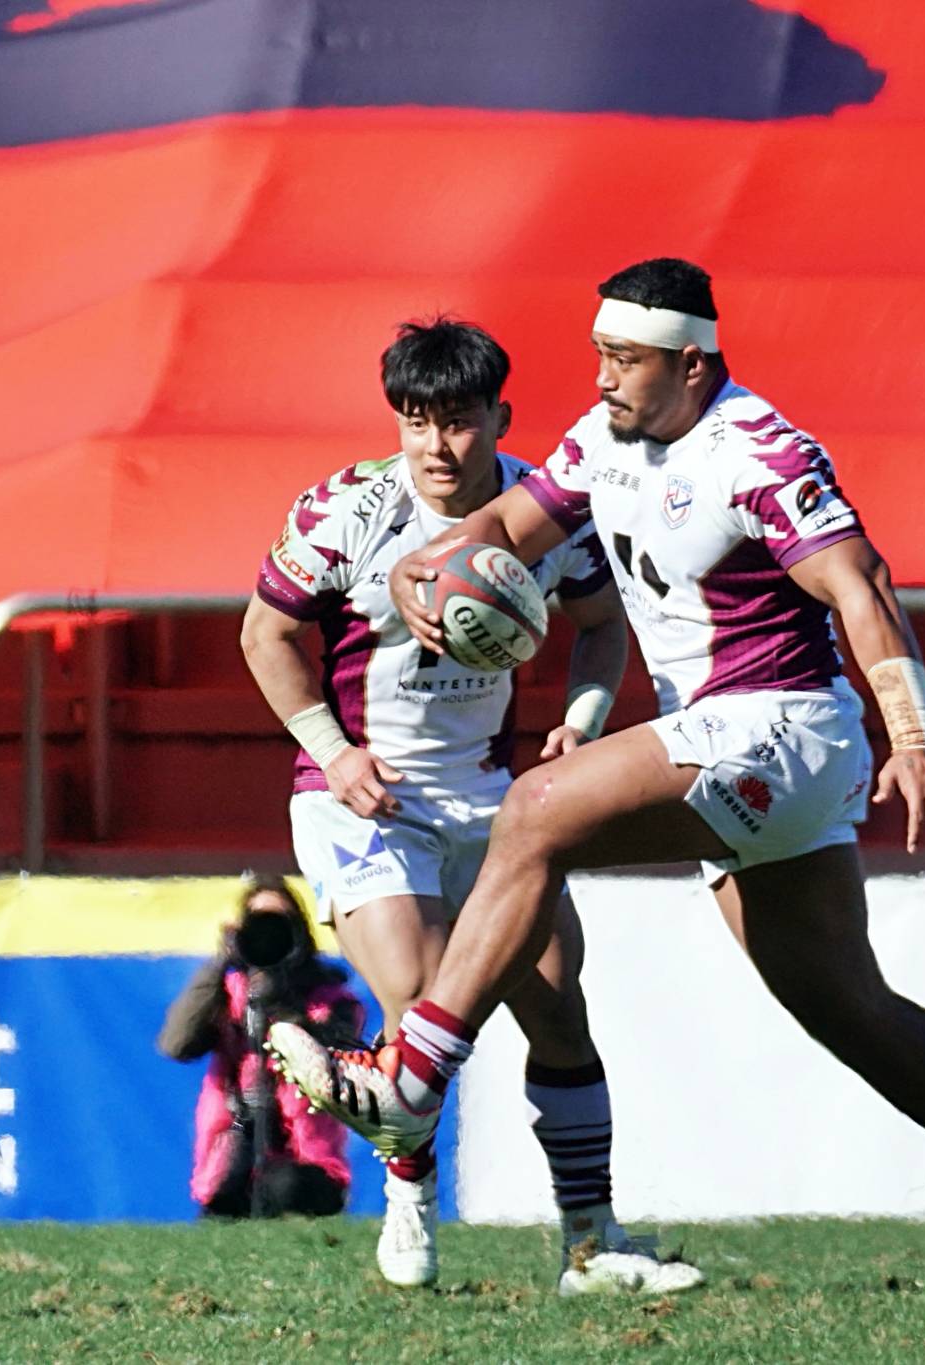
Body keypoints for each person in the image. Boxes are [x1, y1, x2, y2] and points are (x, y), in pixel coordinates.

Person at [267, 259, 925, 1290]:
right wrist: (423, 567)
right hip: (723, 745)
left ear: (693, 366)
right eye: (599, 355)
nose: (603, 378)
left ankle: (412, 1076)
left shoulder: (760, 451)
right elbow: (506, 526)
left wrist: (915, 740)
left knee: (533, 811)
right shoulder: (602, 438)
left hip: (779, 728)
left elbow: (861, 584)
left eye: (624, 360)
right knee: (839, 1000)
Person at [240, 317, 702, 1295]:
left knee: (558, 1005)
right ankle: (409, 1204)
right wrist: (335, 752)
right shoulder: (346, 511)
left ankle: (591, 1243)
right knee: (415, 997)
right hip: (363, 801)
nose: (436, 446)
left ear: (499, 416)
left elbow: (600, 625)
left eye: (456, 421)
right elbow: (263, 635)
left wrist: (580, 722)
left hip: (492, 805)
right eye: (416, 422)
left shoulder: (544, 511)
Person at [158, 878, 364, 1219]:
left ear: (299, 930)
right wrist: (222, 961)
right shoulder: (226, 993)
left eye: (279, 923)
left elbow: (335, 1049)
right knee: (224, 1201)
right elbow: (176, 1045)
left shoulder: (331, 997)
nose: (268, 934)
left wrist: (283, 1004)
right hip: (234, 1156)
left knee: (285, 1187)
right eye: (258, 923)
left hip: (309, 1165)